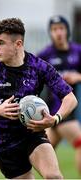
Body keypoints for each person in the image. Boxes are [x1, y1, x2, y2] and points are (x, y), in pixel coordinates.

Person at [0, 18, 77, 179]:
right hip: (3, 142)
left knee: (54, 176)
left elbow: (70, 98)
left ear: (18, 44)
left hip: (32, 134)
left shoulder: (39, 67)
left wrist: (56, 118)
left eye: (0, 43)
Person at [38, 15, 81, 175]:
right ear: (50, 33)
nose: (58, 33)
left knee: (46, 147)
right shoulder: (45, 54)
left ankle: (14, 158)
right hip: (57, 109)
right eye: (54, 29)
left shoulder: (77, 51)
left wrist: (78, 76)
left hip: (67, 109)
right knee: (79, 143)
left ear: (67, 30)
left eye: (61, 28)